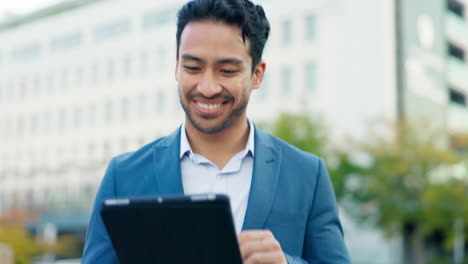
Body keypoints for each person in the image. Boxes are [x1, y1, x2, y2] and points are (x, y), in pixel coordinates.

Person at [82, 0, 350, 263]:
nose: (208, 87)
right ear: (176, 66)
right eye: (193, 68)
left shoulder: (307, 175)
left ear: (257, 74)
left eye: (227, 70)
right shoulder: (124, 175)